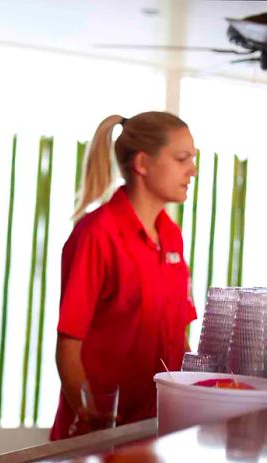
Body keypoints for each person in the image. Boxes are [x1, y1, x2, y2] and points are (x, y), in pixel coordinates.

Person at [50, 111, 197, 440]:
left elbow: (178, 336)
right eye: (182, 158)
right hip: (103, 434)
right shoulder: (96, 234)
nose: (193, 171)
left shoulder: (171, 235)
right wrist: (92, 423)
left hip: (158, 430)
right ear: (142, 163)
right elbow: (69, 347)